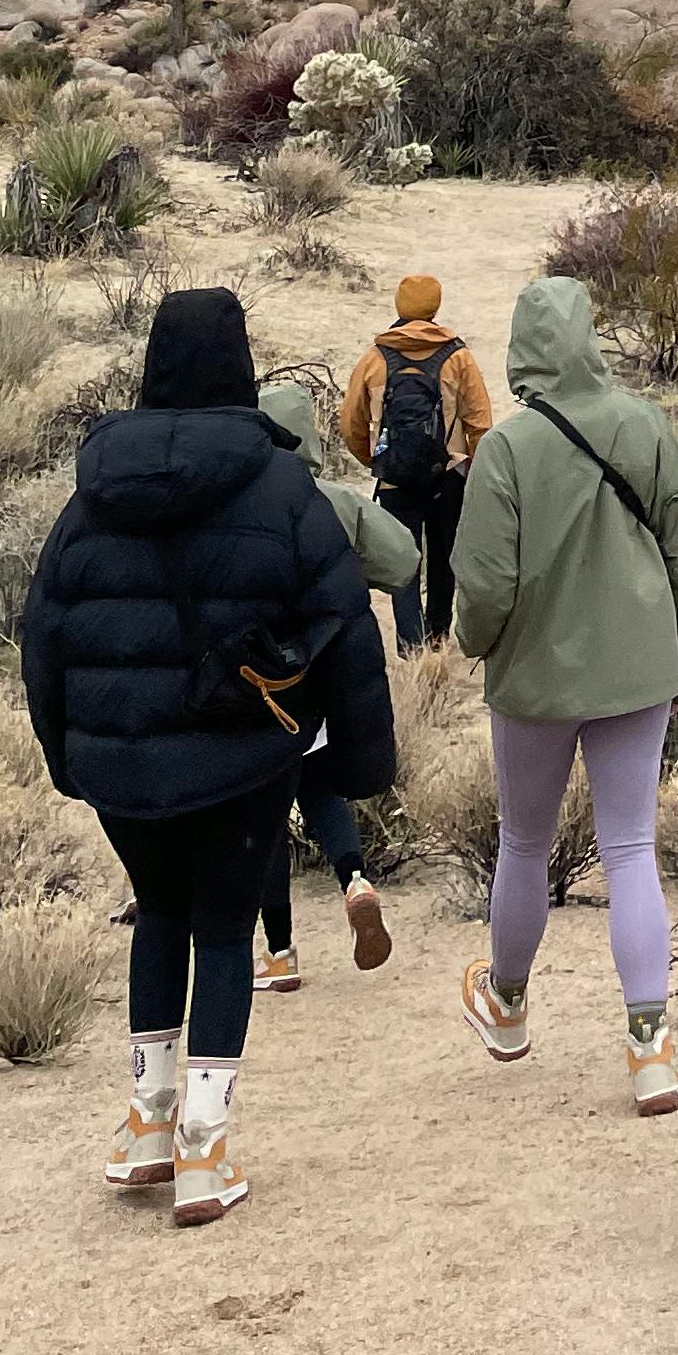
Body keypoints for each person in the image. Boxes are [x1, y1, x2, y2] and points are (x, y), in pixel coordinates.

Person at [22, 286, 395, 1228]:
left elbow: (44, 633)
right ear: (240, 367)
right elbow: (347, 624)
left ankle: (145, 1125)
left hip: (122, 766)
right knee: (225, 931)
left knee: (160, 917)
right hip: (239, 755)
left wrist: (69, 755)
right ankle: (203, 1144)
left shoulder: (91, 495)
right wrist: (360, 763)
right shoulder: (282, 488)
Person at [448, 274, 678, 1115]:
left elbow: (484, 585)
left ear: (526, 346)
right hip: (639, 670)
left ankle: (508, 1004)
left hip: (533, 677)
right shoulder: (647, 426)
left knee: (524, 844)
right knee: (632, 848)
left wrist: (476, 644)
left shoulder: (508, 450)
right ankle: (651, 1048)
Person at [250, 378, 415, 991]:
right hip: (327, 673)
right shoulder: (336, 502)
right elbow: (402, 561)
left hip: (263, 678)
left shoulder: (242, 503)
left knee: (265, 808)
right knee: (320, 790)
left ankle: (280, 953)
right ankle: (355, 879)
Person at [337, 272, 493, 654]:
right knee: (444, 558)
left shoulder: (375, 359)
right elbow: (481, 423)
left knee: (401, 558)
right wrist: (472, 468)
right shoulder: (458, 357)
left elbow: (350, 423)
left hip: (395, 477)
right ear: (435, 306)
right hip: (449, 474)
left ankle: (410, 646)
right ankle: (438, 636)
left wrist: (376, 459)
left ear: (398, 306)